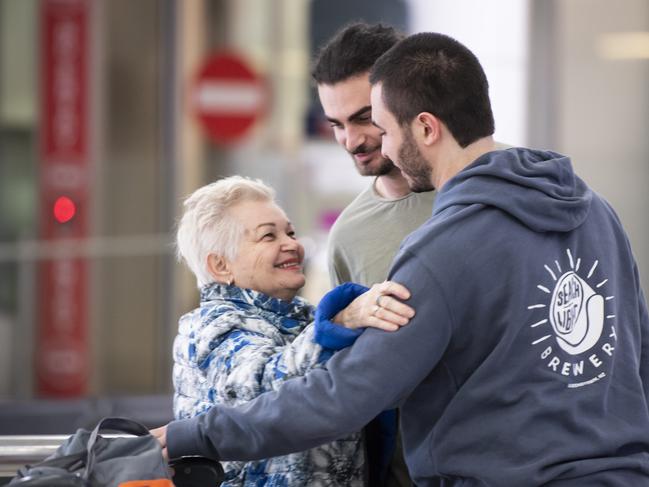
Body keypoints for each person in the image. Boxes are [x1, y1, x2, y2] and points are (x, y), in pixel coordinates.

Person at [153, 33, 649, 486]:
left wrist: (190, 436)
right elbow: (636, 354)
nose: (371, 146)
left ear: (427, 128)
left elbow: (343, 397)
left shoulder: (443, 250)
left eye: (382, 127)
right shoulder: (595, 212)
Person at [171, 175, 414, 486]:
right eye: (268, 236)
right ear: (221, 266)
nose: (292, 245)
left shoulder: (305, 320)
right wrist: (339, 324)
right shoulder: (209, 328)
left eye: (290, 231)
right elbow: (267, 384)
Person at [312, 22, 432, 487]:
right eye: (336, 124)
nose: (351, 140)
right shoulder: (348, 236)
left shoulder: (489, 188)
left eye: (363, 117)